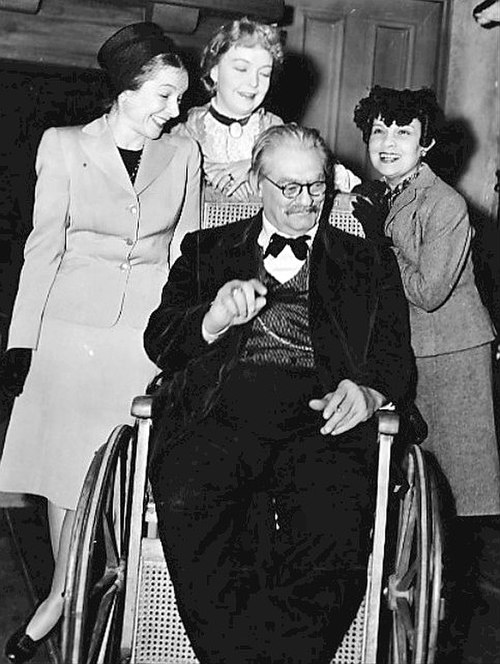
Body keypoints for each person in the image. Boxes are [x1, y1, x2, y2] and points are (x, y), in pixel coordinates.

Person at [144, 123, 414, 663]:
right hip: (221, 410)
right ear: (257, 181)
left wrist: (369, 392)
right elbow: (160, 341)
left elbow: (394, 359)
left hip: (323, 416)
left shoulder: (367, 261)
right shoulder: (207, 249)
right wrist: (214, 317)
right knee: (193, 499)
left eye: (315, 186)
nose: (305, 201)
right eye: (288, 187)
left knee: (333, 532)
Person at [0, 21, 200, 663]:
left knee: (123, 469)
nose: (174, 112)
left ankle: (94, 592)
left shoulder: (184, 151)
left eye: (179, 98)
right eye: (164, 96)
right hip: (69, 330)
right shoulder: (63, 146)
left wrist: (183, 335)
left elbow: (185, 250)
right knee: (64, 473)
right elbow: (43, 247)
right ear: (125, 88)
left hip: (144, 330)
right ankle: (63, 595)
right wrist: (21, 340)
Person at [353, 85, 500, 663]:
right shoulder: (384, 194)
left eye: (404, 133)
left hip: (450, 357)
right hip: (408, 353)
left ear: (428, 143)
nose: (389, 143)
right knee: (414, 500)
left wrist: (378, 234)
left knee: (450, 506)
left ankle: (446, 643)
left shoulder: (444, 205)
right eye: (380, 132)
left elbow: (428, 291)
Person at [173, 17, 359, 201]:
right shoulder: (188, 128)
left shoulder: (275, 128)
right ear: (214, 71)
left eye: (264, 73)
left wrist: (259, 166)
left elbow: (328, 172)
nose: (254, 82)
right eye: (241, 69)